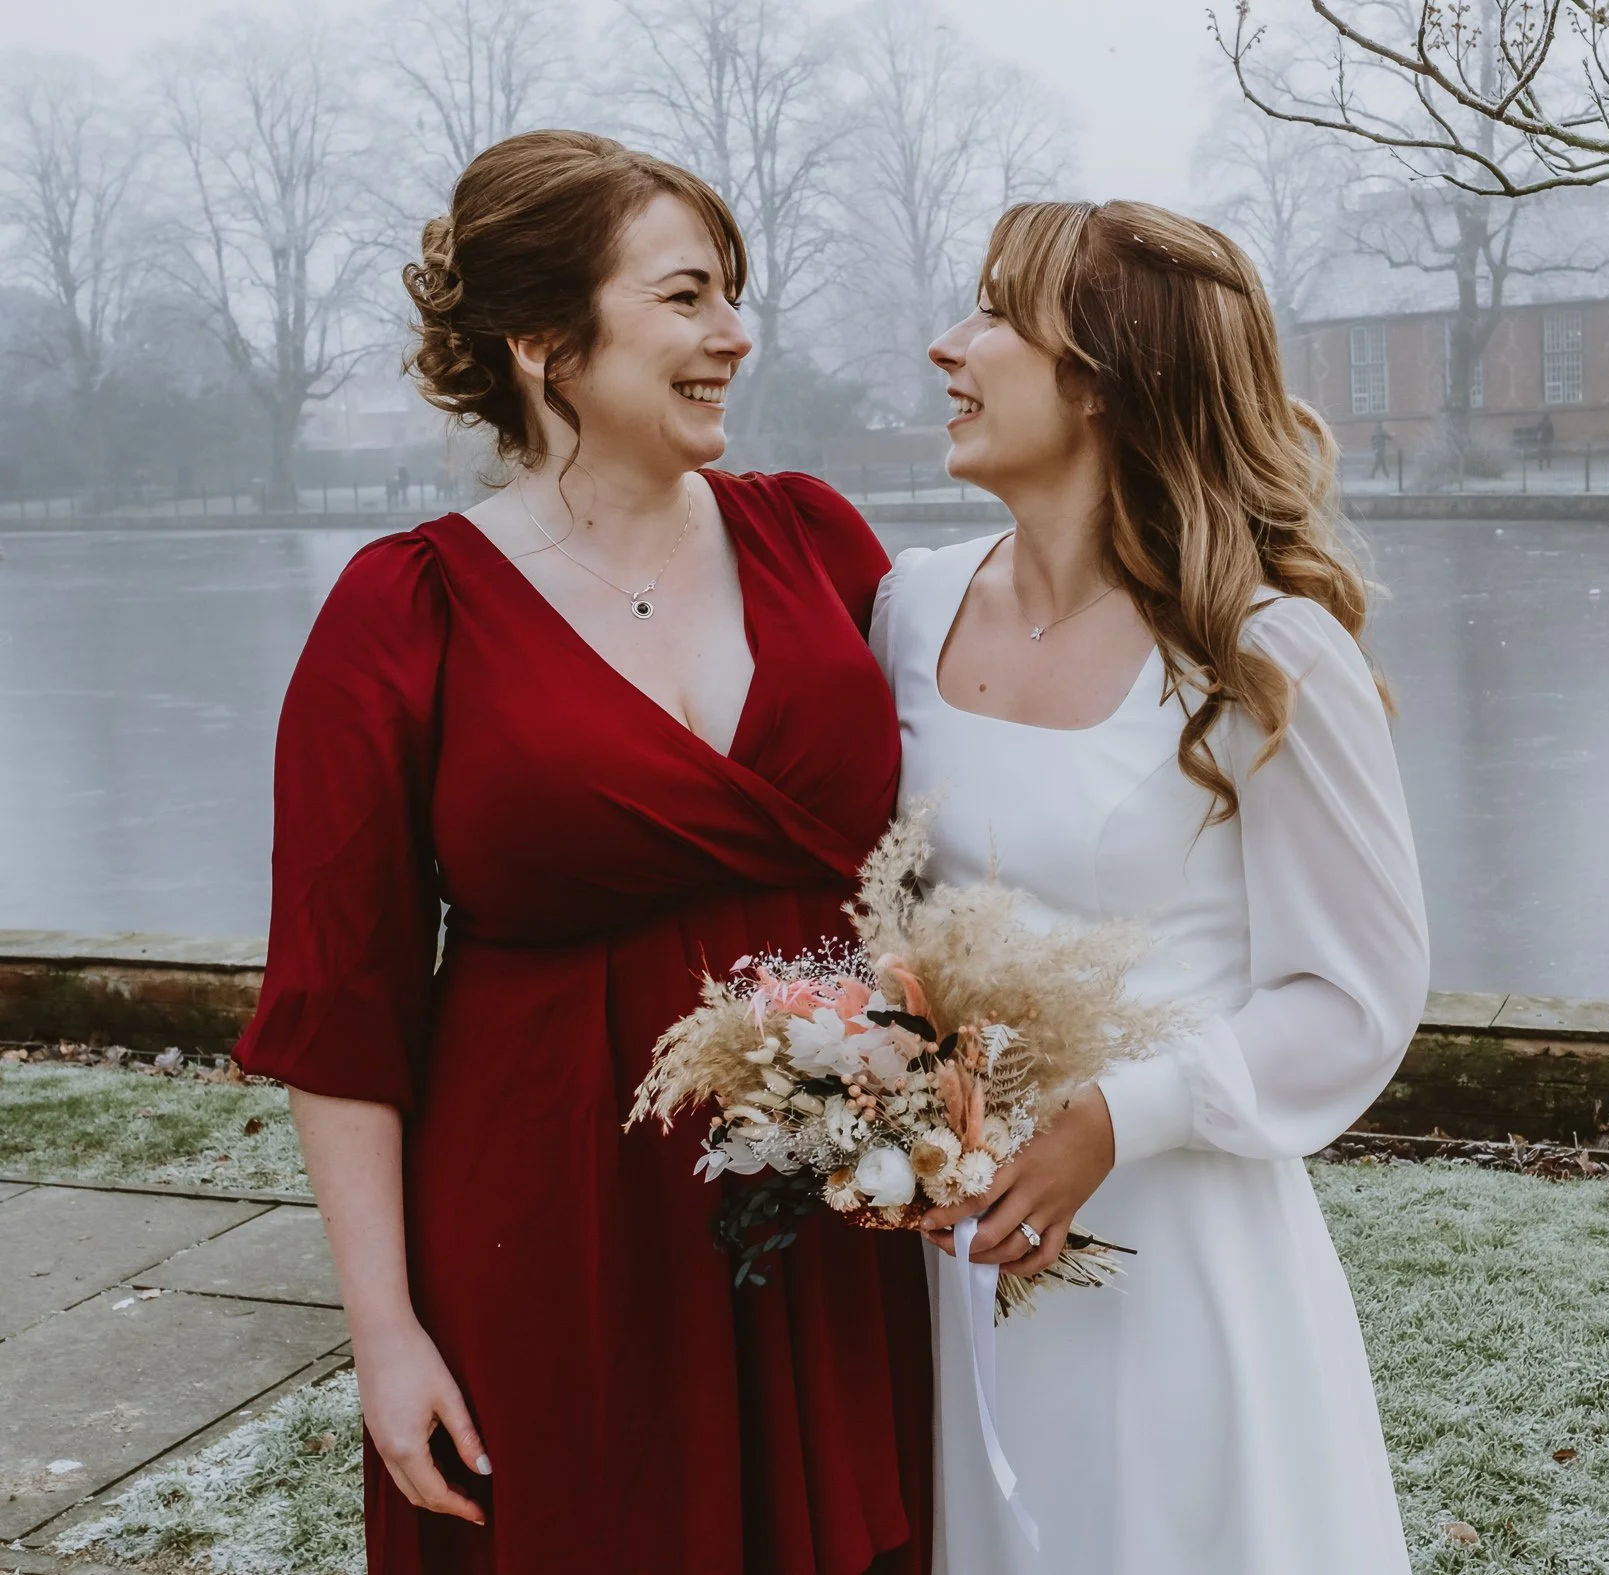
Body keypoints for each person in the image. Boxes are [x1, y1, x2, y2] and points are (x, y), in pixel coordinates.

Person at [236, 130, 930, 1575]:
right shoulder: (401, 611)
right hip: (552, 1231)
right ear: (549, 340)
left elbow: (955, 834)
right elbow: (341, 1009)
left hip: (829, 1212)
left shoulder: (818, 541)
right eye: (687, 297)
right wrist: (385, 1334)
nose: (736, 334)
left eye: (733, 294)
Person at [870, 200, 1429, 1573]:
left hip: (1181, 1251)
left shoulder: (1265, 650)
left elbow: (1357, 995)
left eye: (995, 315)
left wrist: (1119, 1118)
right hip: (968, 1255)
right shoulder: (909, 605)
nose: (951, 344)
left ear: (1103, 376)